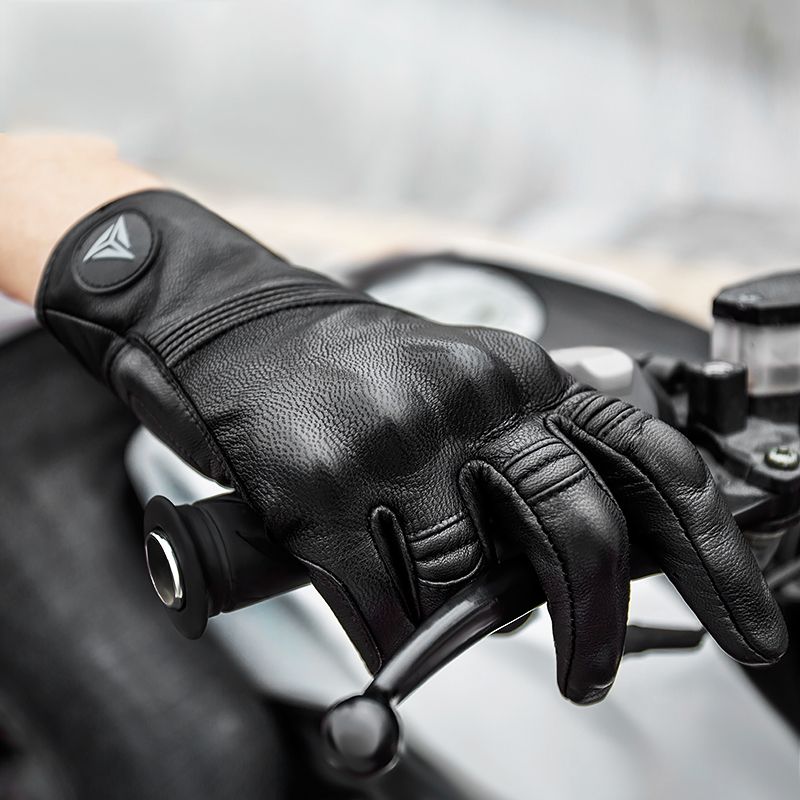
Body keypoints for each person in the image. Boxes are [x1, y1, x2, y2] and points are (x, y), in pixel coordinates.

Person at [0, 133, 787, 706]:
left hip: (443, 277)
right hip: (44, 344)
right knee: (201, 758)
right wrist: (218, 309)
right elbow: (34, 165)